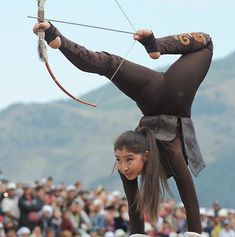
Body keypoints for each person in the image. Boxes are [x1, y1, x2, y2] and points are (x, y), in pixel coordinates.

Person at [33, 20, 213, 237]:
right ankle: (58, 39)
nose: (123, 166)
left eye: (126, 160)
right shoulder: (172, 151)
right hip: (175, 98)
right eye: (120, 160)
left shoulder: (138, 156)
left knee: (112, 63)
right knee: (205, 43)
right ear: (146, 156)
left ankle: (152, 44)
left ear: (143, 155)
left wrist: (194, 234)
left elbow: (189, 204)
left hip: (153, 96)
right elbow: (136, 207)